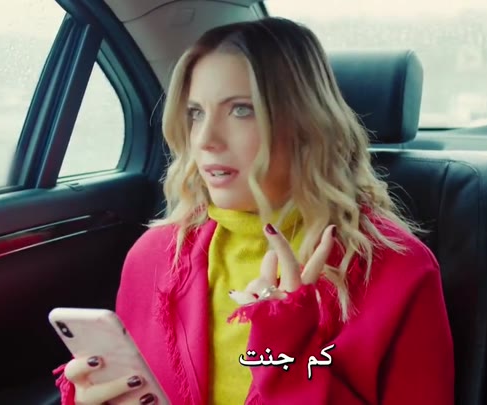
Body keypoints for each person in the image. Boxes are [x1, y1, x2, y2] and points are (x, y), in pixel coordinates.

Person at [53, 17, 454, 405]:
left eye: (241, 109)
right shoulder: (154, 256)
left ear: (304, 124)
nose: (206, 139)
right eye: (196, 113)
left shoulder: (396, 270)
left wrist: (288, 355)